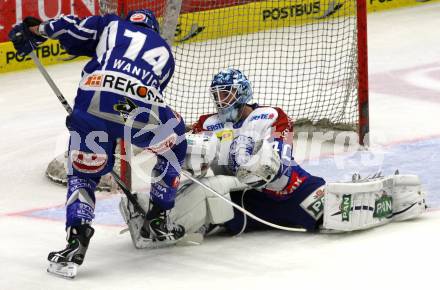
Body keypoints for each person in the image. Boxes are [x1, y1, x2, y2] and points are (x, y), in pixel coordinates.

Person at [9, 9, 187, 278]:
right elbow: (152, 91)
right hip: (134, 106)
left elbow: (70, 28)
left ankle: (76, 241)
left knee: (83, 171)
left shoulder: (111, 24)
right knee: (176, 143)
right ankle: (159, 218)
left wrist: (36, 32)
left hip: (94, 98)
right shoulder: (165, 51)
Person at [166, 68, 427, 237]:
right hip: (241, 200)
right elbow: (193, 159)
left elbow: (280, 157)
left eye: (227, 93)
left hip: (288, 192)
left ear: (242, 93)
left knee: (335, 215)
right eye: (218, 95)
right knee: (195, 215)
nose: (221, 100)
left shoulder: (270, 116)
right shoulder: (207, 123)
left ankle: (393, 200)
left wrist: (261, 163)